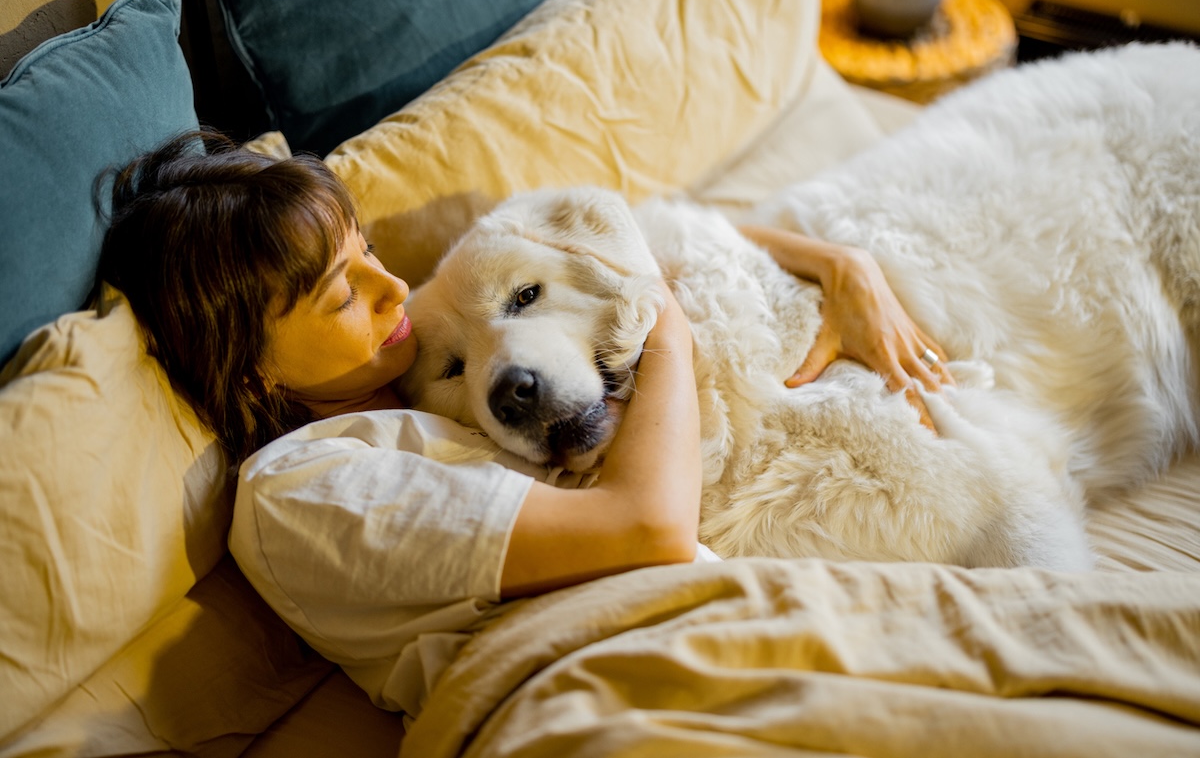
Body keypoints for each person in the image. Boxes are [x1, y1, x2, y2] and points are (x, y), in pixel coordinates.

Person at [97, 131, 950, 715]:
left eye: (368, 253)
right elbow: (647, 526)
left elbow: (612, 238)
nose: (391, 290)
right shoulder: (301, 489)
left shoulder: (419, 364)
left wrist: (839, 263)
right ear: (252, 364)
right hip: (618, 697)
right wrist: (669, 329)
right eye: (343, 292)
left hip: (736, 635)